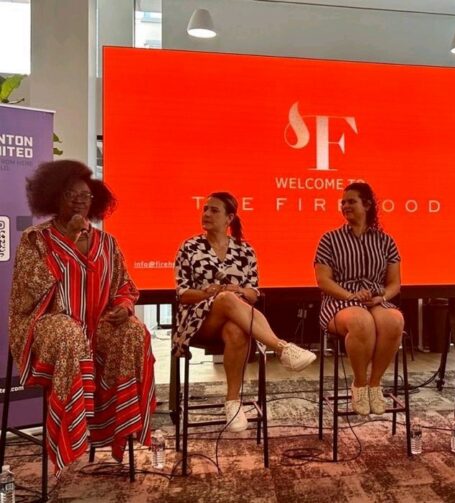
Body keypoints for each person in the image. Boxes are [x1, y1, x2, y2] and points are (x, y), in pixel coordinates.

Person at [8, 160, 156, 473]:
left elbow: (124, 286)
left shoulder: (107, 243)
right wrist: (71, 241)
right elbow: (31, 289)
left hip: (94, 324)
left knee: (132, 332)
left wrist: (124, 307)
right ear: (53, 198)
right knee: (69, 334)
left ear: (95, 201)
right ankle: (71, 428)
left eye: (85, 196)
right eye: (70, 195)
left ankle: (117, 425)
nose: (78, 200)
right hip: (47, 323)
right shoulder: (36, 240)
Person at [174, 192, 316, 432]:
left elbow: (253, 293)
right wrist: (210, 293)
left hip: (237, 316)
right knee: (226, 299)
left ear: (229, 218)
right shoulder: (190, 247)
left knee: (237, 330)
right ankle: (281, 347)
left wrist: (237, 289)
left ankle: (232, 403)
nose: (206, 214)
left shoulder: (245, 250)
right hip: (197, 320)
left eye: (214, 210)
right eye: (205, 209)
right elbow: (182, 293)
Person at [314, 182, 404, 416]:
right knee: (360, 322)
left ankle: (375, 384)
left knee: (394, 320)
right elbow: (324, 281)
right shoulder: (329, 239)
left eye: (351, 201)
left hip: (375, 299)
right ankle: (360, 384)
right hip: (339, 300)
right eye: (343, 202)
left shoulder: (386, 241)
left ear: (367, 205)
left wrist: (381, 296)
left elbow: (395, 283)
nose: (345, 206)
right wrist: (350, 295)